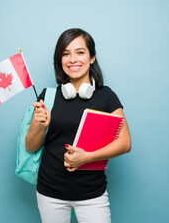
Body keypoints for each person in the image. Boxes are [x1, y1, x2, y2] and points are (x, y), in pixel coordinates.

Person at [25, 28, 131, 223]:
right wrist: (41, 126)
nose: (73, 59)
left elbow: (125, 143)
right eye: (66, 54)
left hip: (92, 193)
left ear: (92, 58)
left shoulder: (107, 96)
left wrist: (86, 158)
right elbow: (30, 146)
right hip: (50, 193)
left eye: (80, 52)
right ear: (60, 61)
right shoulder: (47, 97)